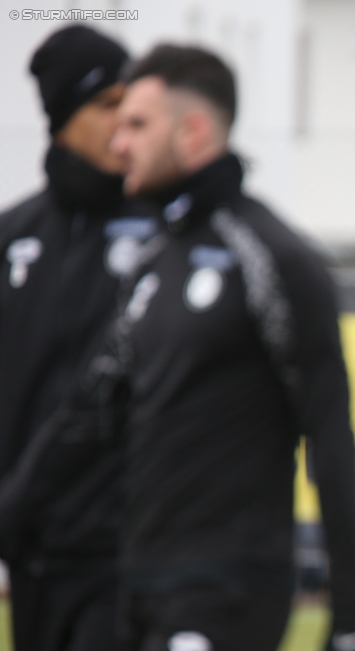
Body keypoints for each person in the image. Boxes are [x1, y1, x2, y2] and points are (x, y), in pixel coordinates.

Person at [8, 44, 355, 651]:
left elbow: (331, 441)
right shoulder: (153, 261)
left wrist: (351, 616)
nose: (120, 142)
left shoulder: (274, 258)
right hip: (139, 586)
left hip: (227, 589)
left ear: (195, 132)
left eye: (137, 125)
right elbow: (84, 415)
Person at [0, 25, 158, 651]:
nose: (125, 122)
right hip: (32, 550)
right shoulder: (15, 237)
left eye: (132, 102)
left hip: (130, 551)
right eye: (105, 104)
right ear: (63, 116)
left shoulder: (164, 235)